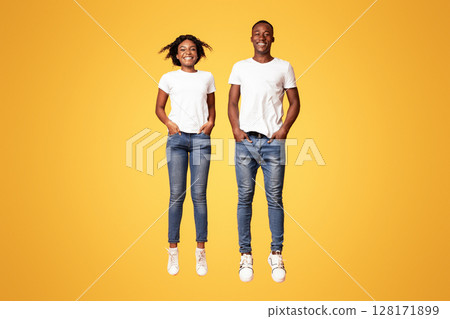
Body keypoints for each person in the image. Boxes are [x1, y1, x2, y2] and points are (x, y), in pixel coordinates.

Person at [228, 20, 301, 283]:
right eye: (257, 34)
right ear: (251, 38)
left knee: (274, 199)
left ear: (272, 38)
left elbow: (295, 102)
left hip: (273, 143)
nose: (262, 38)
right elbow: (232, 101)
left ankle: (276, 254)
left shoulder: (284, 67)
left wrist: (283, 130)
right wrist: (236, 130)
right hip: (245, 141)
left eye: (266, 34)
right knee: (244, 198)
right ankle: (245, 256)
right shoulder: (240, 67)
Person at [155, 34, 215, 276]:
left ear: (198, 53)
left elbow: (212, 108)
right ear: (176, 55)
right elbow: (159, 108)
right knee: (176, 195)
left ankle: (200, 253)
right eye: (183, 49)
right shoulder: (168, 78)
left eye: (192, 49)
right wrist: (169, 123)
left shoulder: (207, 77)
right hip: (177, 139)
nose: (188, 52)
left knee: (199, 196)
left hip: (201, 139)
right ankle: (173, 252)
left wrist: (211, 123)